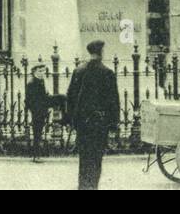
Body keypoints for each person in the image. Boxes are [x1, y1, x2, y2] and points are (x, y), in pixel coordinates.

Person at [64, 40, 119, 190]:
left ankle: (83, 186)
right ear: (101, 52)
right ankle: (92, 186)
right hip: (99, 122)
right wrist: (114, 124)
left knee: (84, 157)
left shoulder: (79, 70)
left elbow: (70, 97)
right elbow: (113, 100)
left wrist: (71, 120)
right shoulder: (107, 72)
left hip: (82, 122)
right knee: (96, 158)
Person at [25, 64, 51, 162]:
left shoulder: (41, 81)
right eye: (40, 71)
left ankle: (38, 154)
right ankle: (36, 156)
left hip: (42, 110)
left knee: (39, 133)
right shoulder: (31, 83)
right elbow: (29, 100)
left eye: (43, 71)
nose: (42, 73)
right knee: (37, 133)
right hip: (37, 112)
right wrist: (35, 110)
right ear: (34, 71)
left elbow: (44, 96)